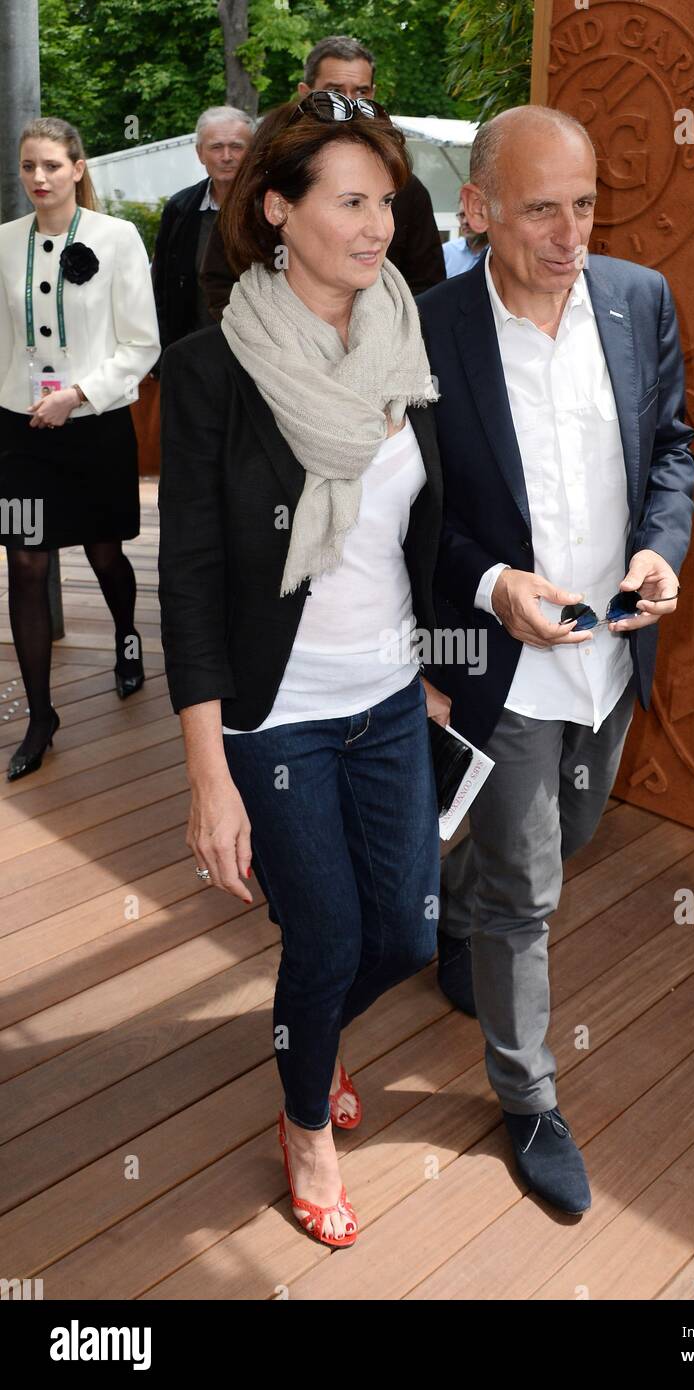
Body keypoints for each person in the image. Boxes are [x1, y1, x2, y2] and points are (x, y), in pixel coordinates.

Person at [157, 93, 449, 1248]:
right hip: (274, 715)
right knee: (326, 935)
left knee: (411, 933)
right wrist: (205, 771)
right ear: (278, 211)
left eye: (385, 200)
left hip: (386, 697)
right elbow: (187, 574)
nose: (376, 223)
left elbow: (431, 522)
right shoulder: (211, 370)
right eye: (348, 200)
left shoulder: (405, 337)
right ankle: (304, 1118)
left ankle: (313, 1036)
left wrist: (432, 660)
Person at [417, 106, 694, 1215]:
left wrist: (657, 547)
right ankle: (527, 1097)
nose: (568, 232)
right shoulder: (425, 327)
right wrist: (489, 586)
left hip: (611, 658)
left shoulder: (638, 300)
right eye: (539, 208)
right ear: (477, 209)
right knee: (528, 892)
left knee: (564, 837)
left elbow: (671, 448)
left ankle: (449, 915)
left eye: (583, 204)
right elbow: (403, 514)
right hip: (503, 664)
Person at [0, 117, 161, 781]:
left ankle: (127, 638)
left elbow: (142, 341)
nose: (39, 178)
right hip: (17, 430)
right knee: (26, 563)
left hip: (93, 426)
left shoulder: (117, 238)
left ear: (77, 167)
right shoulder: (2, 243)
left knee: (104, 551)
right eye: (29, 167)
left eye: (51, 166)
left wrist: (80, 393)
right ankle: (41, 714)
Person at [199, 34, 446, 316]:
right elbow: (220, 279)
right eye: (335, 92)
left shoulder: (408, 188)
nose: (348, 104)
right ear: (305, 93)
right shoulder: (265, 174)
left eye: (361, 92)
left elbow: (427, 286)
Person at [150, 106, 255, 360]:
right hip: (193, 350)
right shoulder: (180, 207)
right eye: (216, 147)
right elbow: (161, 284)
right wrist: (164, 349)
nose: (226, 156)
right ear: (200, 153)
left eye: (237, 147)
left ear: (252, 152)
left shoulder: (269, 207)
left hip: (256, 352)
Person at [443, 202, 488, 277]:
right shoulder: (446, 252)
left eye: (473, 215)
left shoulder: (499, 253)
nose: (465, 221)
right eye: (462, 215)